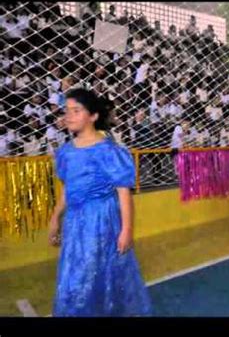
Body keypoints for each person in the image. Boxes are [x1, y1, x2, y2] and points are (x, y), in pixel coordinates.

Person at [48, 88, 153, 316]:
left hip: (102, 221)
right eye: (67, 111)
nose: (69, 116)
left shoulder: (109, 151)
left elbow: (124, 193)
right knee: (76, 273)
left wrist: (126, 229)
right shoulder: (65, 152)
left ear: (93, 116)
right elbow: (68, 189)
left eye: (77, 111)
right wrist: (56, 218)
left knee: (98, 273)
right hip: (75, 223)